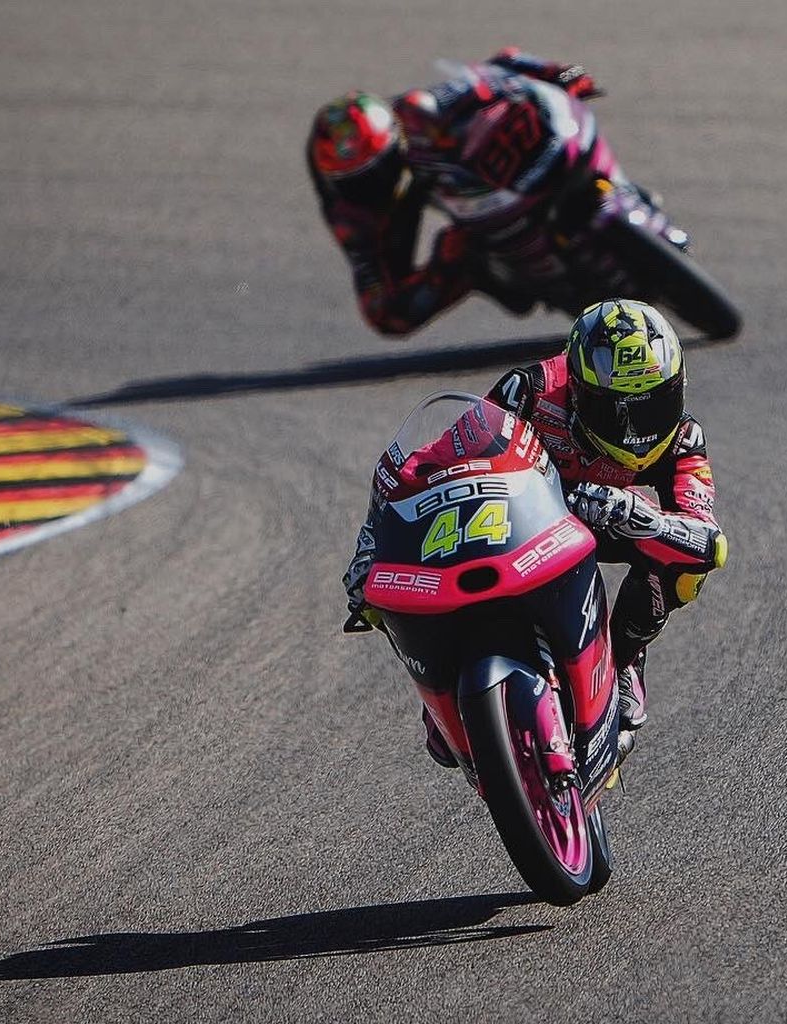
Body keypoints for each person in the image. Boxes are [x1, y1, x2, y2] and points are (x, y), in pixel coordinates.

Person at [344, 299, 727, 766]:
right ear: (579, 389)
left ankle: (623, 662)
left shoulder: (684, 439)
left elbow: (707, 541)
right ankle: (447, 679)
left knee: (680, 572)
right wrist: (371, 542)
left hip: (608, 517)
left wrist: (636, 513)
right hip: (525, 510)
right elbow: (436, 459)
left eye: (655, 406)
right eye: (615, 411)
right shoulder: (529, 391)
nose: (636, 434)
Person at [305, 49, 604, 336]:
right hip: (407, 218)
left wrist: (555, 73)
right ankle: (493, 272)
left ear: (393, 143)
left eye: (374, 171)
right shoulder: (350, 213)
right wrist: (442, 268)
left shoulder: (416, 113)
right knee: (390, 314)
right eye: (354, 179)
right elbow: (378, 303)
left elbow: (500, 66)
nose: (369, 185)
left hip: (460, 174)